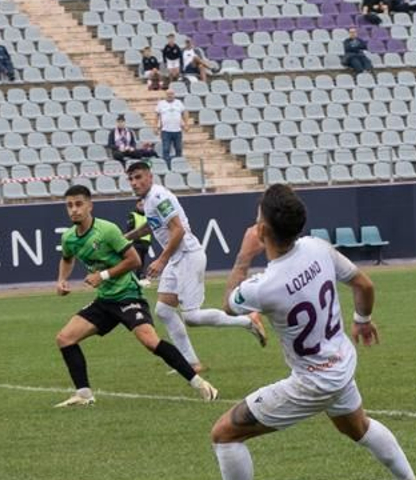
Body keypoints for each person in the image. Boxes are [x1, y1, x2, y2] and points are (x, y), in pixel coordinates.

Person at [193, 184, 416, 480]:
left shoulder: (264, 286)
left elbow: (228, 304)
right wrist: (363, 319)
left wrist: (243, 257)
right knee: (358, 427)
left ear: (262, 231)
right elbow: (363, 284)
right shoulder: (318, 249)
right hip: (340, 361)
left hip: (312, 381)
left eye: (257, 218)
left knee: (224, 433)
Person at [52, 184, 218, 408]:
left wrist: (103, 275)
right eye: (70, 205)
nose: (74, 210)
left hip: (128, 296)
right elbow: (67, 258)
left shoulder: (107, 230)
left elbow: (134, 261)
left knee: (150, 342)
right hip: (105, 300)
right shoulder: (69, 238)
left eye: (79, 204)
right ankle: (83, 394)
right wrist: (62, 280)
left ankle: (200, 384)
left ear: (90, 205)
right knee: (65, 338)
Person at [128, 161, 265, 376]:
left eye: (138, 177)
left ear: (150, 176)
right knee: (164, 311)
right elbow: (152, 224)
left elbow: (178, 230)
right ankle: (192, 363)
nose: (134, 183)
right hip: (177, 258)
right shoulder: (148, 201)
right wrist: (128, 237)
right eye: (131, 179)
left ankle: (247, 320)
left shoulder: (158, 196)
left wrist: (162, 260)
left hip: (188, 256)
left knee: (191, 317)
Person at [156, 86, 185, 164]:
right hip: (166, 131)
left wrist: (186, 123)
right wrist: (156, 126)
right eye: (168, 94)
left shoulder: (179, 103)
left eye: (171, 94)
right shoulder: (161, 103)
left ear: (174, 95)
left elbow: (184, 113)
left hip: (177, 130)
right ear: (165, 95)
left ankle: (179, 164)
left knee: (178, 148)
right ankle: (167, 164)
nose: (170, 95)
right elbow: (157, 115)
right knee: (166, 149)